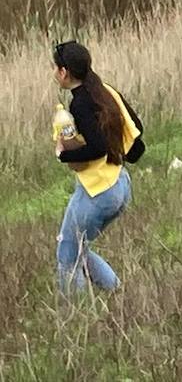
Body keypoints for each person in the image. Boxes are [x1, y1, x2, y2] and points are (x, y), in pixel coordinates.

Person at [52, 41, 145, 295]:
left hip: (98, 192)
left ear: (64, 72)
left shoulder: (80, 105)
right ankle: (117, 293)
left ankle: (78, 317)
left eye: (55, 68)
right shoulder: (104, 90)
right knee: (78, 248)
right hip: (121, 184)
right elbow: (136, 128)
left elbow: (98, 148)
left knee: (67, 257)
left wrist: (62, 155)